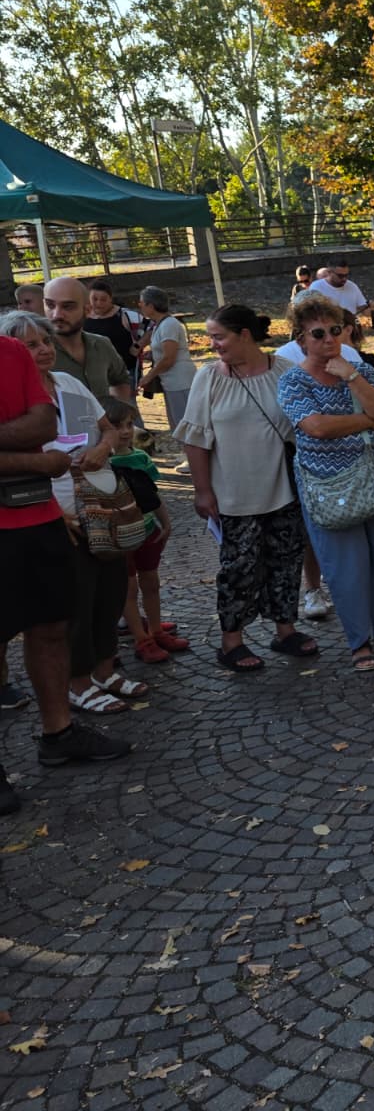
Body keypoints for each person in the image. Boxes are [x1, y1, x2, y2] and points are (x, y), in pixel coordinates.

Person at [0, 331, 130, 814]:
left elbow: (42, 423)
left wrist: (28, 453)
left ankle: (58, 733)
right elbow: (37, 440)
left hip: (38, 516)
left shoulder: (10, 352)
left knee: (53, 626)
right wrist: (34, 460)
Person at [1, 312, 152, 715]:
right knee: (74, 606)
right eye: (31, 345)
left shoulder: (68, 383)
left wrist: (103, 448)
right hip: (57, 513)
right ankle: (77, 682)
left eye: (45, 341)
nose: (44, 349)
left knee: (110, 593)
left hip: (100, 505)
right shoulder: (14, 398)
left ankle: (105, 670)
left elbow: (105, 427)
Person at [277, 294, 374, 672]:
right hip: (328, 487)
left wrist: (352, 377)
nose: (329, 339)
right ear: (301, 340)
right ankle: (360, 640)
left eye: (336, 330)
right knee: (347, 566)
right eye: (318, 333)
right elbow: (316, 427)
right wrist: (366, 423)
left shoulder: (360, 370)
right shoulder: (293, 381)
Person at [176, 303, 319, 671]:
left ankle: (285, 631)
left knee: (285, 562)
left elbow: (305, 427)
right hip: (234, 496)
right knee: (239, 568)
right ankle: (231, 643)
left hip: (284, 491)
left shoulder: (285, 371)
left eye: (218, 336)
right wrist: (202, 491)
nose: (212, 344)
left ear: (244, 335)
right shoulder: (209, 378)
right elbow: (195, 439)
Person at [103, 401, 185, 664]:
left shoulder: (140, 458)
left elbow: (152, 494)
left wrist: (166, 521)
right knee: (129, 587)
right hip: (120, 534)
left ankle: (156, 629)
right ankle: (140, 637)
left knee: (150, 581)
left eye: (129, 424)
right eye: (117, 426)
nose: (125, 432)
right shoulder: (102, 462)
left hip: (147, 529)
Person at [44, 277, 133, 404]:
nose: (57, 314)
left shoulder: (102, 344)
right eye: (50, 305)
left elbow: (121, 380)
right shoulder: (36, 353)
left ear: (87, 310)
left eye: (68, 307)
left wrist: (115, 416)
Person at [135, 285, 196, 432]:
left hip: (181, 381)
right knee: (176, 423)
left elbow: (169, 358)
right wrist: (151, 355)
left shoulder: (169, 324)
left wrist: (149, 376)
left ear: (151, 305)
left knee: (185, 425)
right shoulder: (159, 325)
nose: (140, 306)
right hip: (170, 382)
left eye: (141, 303)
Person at [84, 279, 145, 383]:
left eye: (103, 300)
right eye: (94, 299)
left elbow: (151, 328)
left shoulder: (125, 315)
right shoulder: (82, 316)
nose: (98, 303)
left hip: (124, 373)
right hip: (94, 374)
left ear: (110, 299)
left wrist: (138, 345)